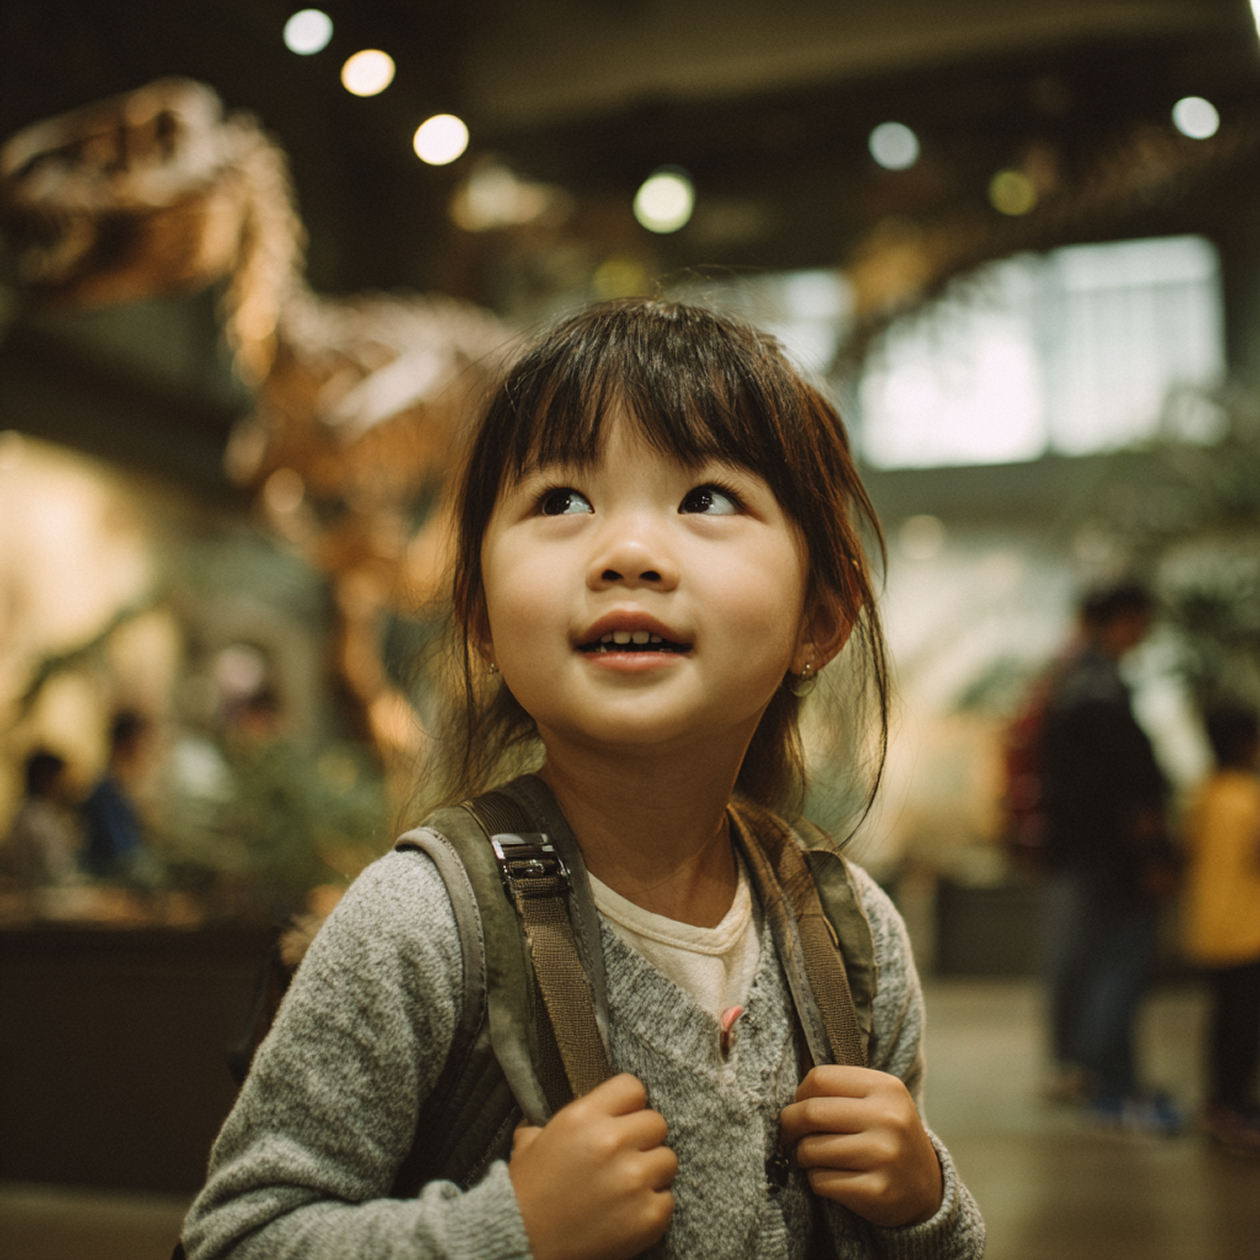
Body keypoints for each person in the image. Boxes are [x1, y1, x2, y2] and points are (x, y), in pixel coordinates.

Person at [180, 299, 985, 1259]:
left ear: (822, 615)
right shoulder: (423, 926)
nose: (629, 554)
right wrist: (507, 1233)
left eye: (707, 498)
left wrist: (926, 1201)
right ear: (477, 612)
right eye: (561, 501)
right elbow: (236, 1236)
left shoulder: (850, 937)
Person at [1040, 582, 1180, 1131]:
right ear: (1120, 620)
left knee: (1091, 959)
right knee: (1118, 961)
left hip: (1084, 852)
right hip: (1111, 856)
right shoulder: (1098, 687)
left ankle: (1095, 1070)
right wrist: (1150, 850)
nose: (1144, 633)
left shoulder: (1076, 680)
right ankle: (1109, 1077)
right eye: (1139, 621)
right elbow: (1123, 784)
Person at [1183, 702, 1260, 1153]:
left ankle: (1219, 1102)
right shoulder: (1247, 798)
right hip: (1248, 931)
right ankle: (1233, 1106)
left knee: (1224, 1021)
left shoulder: (1207, 794)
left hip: (1210, 929)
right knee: (1244, 1026)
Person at [82, 710, 153, 881]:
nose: (143, 748)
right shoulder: (106, 790)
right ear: (125, 742)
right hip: (112, 875)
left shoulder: (121, 785)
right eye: (139, 740)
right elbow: (116, 848)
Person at [0, 748, 79, 886]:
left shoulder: (41, 812)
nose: (67, 783)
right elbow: (54, 872)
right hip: (44, 895)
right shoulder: (33, 819)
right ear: (46, 778)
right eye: (61, 777)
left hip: (54, 889)